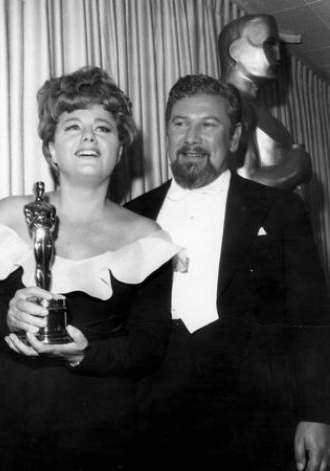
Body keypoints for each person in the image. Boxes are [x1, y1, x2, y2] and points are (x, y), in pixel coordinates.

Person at [0, 66, 180, 470]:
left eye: (104, 128)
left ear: (120, 149)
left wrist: (83, 355)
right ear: (51, 150)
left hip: (99, 428)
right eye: (73, 126)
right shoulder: (8, 215)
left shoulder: (148, 237)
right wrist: (6, 316)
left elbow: (148, 348)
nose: (89, 136)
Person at [126, 73, 330, 470]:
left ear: (234, 138)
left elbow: (312, 317)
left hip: (254, 415)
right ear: (167, 133)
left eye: (209, 124)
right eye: (180, 123)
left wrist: (318, 413)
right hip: (153, 411)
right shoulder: (132, 215)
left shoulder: (281, 209)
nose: (191, 137)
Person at [218, 14, 312, 199]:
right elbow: (243, 185)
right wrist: (296, 168)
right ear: (235, 51)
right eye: (268, 45)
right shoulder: (232, 101)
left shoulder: (250, 104)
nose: (277, 56)